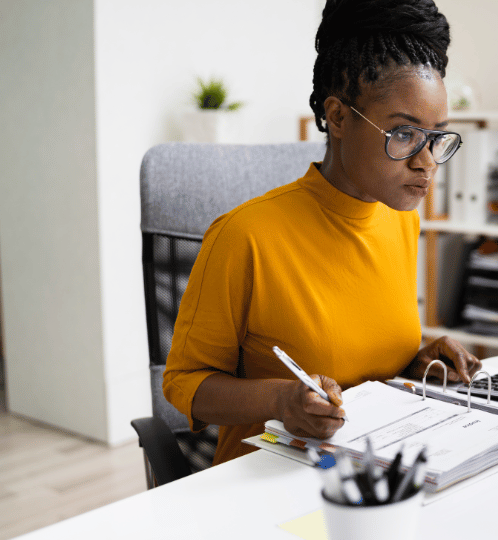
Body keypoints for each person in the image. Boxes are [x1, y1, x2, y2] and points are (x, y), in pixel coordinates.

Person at [163, 0, 481, 466]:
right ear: (338, 117)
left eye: (435, 137)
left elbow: (362, 355)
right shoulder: (244, 236)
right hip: (268, 480)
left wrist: (417, 359)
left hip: (372, 467)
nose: (427, 161)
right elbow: (183, 383)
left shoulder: (400, 217)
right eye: (404, 135)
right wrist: (280, 401)